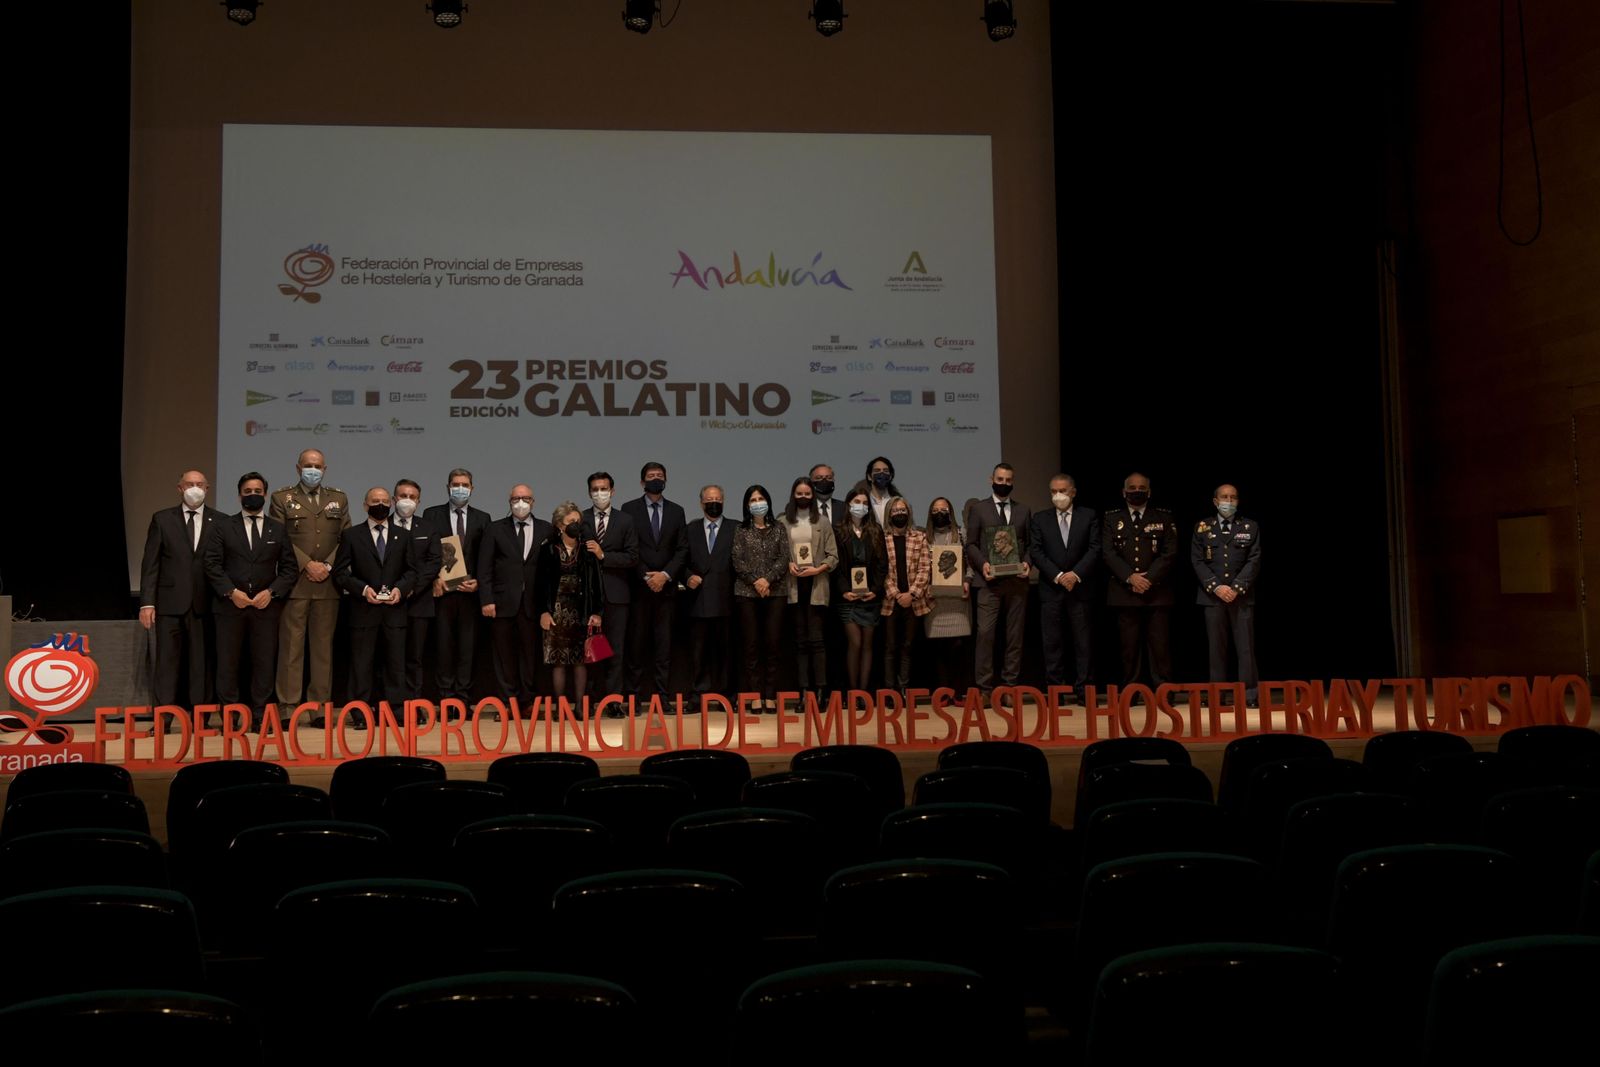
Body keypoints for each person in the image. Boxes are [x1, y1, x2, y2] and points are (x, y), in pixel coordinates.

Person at [203, 472, 297, 730]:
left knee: (264, 664)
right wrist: (232, 592)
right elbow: (211, 564)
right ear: (239, 495)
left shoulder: (277, 528)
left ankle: (260, 717)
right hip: (229, 606)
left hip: (266, 608)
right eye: (248, 491)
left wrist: (273, 592)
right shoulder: (222, 527)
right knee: (228, 664)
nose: (253, 495)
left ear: (265, 495)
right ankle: (231, 719)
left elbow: (289, 569)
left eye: (257, 491)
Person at [271, 449, 350, 722]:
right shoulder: (282, 498)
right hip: (295, 584)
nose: (313, 470)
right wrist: (306, 564)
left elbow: (346, 539)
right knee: (291, 649)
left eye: (317, 466)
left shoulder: (338, 498)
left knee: (322, 650)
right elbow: (278, 538)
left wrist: (327, 565)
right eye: (308, 465)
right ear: (298, 468)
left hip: (328, 585)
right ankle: (288, 708)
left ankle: (320, 708)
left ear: (325, 469)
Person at [139, 469, 221, 712]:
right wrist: (147, 603)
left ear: (207, 489)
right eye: (189, 484)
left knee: (201, 664)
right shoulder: (162, 519)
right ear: (179, 489)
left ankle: (200, 718)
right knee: (167, 663)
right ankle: (163, 717)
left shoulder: (221, 521)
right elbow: (150, 564)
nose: (194, 488)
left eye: (199, 484)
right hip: (169, 604)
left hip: (205, 604)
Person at [333, 486, 420, 706]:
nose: (379, 505)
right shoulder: (351, 535)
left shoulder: (404, 535)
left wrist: (400, 589)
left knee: (395, 664)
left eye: (383, 501)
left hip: (395, 612)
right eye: (374, 501)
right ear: (365, 505)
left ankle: (396, 709)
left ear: (390, 504)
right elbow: (340, 572)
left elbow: (411, 570)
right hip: (363, 611)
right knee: (361, 665)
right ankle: (359, 710)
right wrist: (362, 590)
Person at [478, 484, 553, 713]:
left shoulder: (546, 529)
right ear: (509, 501)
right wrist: (486, 599)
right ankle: (507, 703)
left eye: (526, 498)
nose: (521, 503)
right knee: (504, 656)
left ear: (533, 501)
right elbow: (484, 567)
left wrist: (547, 606)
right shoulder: (495, 529)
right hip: (501, 603)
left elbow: (550, 571)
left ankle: (527, 701)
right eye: (516, 498)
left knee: (530, 655)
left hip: (532, 604)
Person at [1102, 471, 1178, 690]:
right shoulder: (1112, 518)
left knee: (1160, 646)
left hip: (1157, 593)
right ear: (1123, 492)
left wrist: (1149, 579)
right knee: (1129, 647)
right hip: (1124, 592)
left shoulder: (1163, 517)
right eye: (1132, 488)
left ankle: (1164, 690)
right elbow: (1108, 553)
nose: (1137, 492)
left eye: (1141, 488)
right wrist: (1130, 577)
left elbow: (1170, 552)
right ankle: (1131, 691)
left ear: (1149, 491)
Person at [422, 469, 490, 708]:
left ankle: (463, 699)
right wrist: (433, 579)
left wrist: (480, 582)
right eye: (455, 484)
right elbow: (425, 553)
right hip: (442, 594)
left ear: (472, 488)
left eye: (464, 484)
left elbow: (486, 557)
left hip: (470, 595)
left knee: (467, 650)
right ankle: (445, 699)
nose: (459, 488)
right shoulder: (431, 515)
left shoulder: (483, 518)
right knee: (443, 647)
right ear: (447, 487)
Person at [621, 461, 687, 703]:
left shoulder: (677, 511)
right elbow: (628, 547)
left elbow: (682, 549)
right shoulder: (628, 509)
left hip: (667, 590)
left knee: (664, 648)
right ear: (642, 482)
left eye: (660, 475)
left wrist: (665, 575)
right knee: (636, 648)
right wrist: (646, 575)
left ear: (666, 480)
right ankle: (633, 697)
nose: (656, 478)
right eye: (651, 476)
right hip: (639, 589)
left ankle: (662, 697)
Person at [1029, 474, 1100, 697]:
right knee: (1052, 643)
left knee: (1083, 643)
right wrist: (1059, 576)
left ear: (1073, 492)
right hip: (1051, 589)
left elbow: (1095, 548)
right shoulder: (1040, 519)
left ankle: (1084, 691)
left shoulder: (1088, 516)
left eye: (1063, 491)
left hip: (1080, 589)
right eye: (1053, 491)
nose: (1058, 496)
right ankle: (1055, 690)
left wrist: (1075, 574)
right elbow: (1036, 552)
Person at [1192, 483, 1262, 706]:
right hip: (1213, 597)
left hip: (1241, 596)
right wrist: (1216, 587)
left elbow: (1254, 559)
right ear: (1215, 501)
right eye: (1224, 497)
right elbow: (1197, 561)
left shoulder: (1250, 527)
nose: (1228, 501)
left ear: (1238, 501)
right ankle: (1217, 696)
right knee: (1216, 649)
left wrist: (1236, 587)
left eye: (1233, 498)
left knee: (1245, 648)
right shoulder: (1202, 527)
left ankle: (1250, 695)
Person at [966, 462, 1032, 695]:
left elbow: (1030, 545)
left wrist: (1027, 563)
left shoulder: (1023, 510)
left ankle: (1009, 687)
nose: (1004, 484)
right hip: (988, 582)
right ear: (991, 479)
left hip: (1017, 583)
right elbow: (971, 544)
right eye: (1000, 479)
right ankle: (984, 689)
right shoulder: (979, 509)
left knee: (1015, 637)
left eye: (1008, 480)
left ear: (1013, 482)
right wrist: (983, 564)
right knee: (985, 635)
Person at [536, 502, 605, 713]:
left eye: (577, 521)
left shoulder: (587, 548)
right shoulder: (548, 548)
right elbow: (540, 583)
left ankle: (580, 707)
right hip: (556, 611)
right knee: (558, 661)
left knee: (580, 661)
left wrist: (597, 612)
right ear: (559, 525)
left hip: (581, 610)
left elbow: (597, 583)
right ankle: (561, 707)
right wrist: (544, 611)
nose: (575, 525)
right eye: (570, 522)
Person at [583, 471, 639, 709]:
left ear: (612, 491)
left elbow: (632, 557)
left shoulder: (625, 520)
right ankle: (590, 700)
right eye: (595, 489)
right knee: (592, 651)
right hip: (588, 598)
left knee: (615, 651)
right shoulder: (581, 519)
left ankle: (614, 702)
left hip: (617, 596)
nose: (599, 493)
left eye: (603, 489)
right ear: (589, 492)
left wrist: (604, 555)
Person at [779, 476, 839, 700]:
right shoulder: (783, 521)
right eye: (799, 494)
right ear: (793, 496)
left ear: (812, 496)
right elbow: (779, 554)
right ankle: (804, 691)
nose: (803, 497)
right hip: (794, 587)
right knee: (800, 642)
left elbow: (834, 556)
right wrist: (788, 564)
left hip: (817, 586)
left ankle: (821, 690)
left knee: (817, 641)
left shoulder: (822, 522)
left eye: (807, 494)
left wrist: (818, 569)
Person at [731, 484, 788, 711]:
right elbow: (737, 560)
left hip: (776, 592)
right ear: (747, 505)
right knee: (751, 646)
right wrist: (756, 580)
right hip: (747, 593)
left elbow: (784, 558)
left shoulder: (779, 528)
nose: (757, 503)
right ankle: (755, 695)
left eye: (761, 499)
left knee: (772, 645)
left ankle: (770, 694)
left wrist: (768, 580)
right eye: (753, 500)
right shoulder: (740, 530)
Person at [389, 478, 440, 705]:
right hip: (388, 602)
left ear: (418, 502)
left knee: (414, 658)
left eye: (412, 497)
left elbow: (433, 562)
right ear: (393, 500)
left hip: (419, 602)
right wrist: (396, 589)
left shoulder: (428, 528)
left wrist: (410, 589)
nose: (406, 501)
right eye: (402, 496)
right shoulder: (381, 526)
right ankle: (391, 704)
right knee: (391, 657)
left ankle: (413, 704)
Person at [833, 483, 887, 693]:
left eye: (865, 503)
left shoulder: (875, 530)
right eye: (857, 502)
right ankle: (852, 690)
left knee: (867, 645)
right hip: (846, 598)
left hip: (870, 597)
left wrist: (875, 589)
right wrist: (844, 590)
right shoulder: (839, 531)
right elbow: (835, 565)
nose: (861, 506)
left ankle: (864, 693)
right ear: (849, 504)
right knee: (854, 643)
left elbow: (883, 565)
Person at [685, 484, 736, 708]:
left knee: (726, 652)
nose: (713, 503)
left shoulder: (736, 528)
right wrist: (687, 577)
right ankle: (698, 697)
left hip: (727, 600)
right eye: (709, 499)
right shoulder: (691, 529)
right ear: (701, 503)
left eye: (717, 499)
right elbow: (682, 560)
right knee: (698, 653)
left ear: (723, 501)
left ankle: (727, 696)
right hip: (698, 601)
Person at [880, 495, 930, 690]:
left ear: (908, 513)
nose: (899, 514)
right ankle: (889, 690)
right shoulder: (881, 538)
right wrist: (896, 594)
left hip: (914, 601)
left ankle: (903, 689)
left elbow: (925, 568)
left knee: (907, 647)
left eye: (902, 510)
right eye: (895, 511)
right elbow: (880, 570)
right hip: (890, 601)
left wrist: (912, 594)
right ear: (889, 514)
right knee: (890, 647)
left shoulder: (920, 537)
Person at [922, 497, 972, 691]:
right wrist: (925, 586)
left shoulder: (961, 534)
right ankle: (943, 691)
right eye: (935, 510)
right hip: (935, 600)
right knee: (938, 647)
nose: (940, 513)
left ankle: (959, 691)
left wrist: (967, 581)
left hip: (959, 599)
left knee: (958, 646)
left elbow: (971, 564)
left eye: (943, 509)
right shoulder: (924, 537)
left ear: (950, 512)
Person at [864, 456, 900, 526]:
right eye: (877, 471)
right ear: (869, 476)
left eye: (885, 471)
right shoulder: (865, 502)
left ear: (890, 476)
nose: (882, 473)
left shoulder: (898, 502)